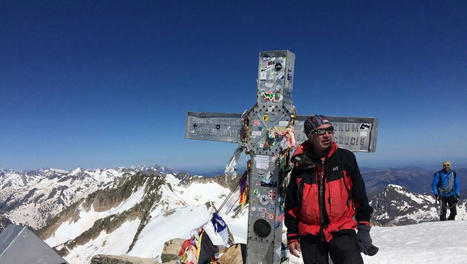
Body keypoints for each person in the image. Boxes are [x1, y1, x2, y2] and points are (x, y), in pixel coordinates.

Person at [285, 115, 378, 264]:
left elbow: (359, 195)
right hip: (310, 235)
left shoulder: (345, 159)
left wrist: (363, 228)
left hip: (342, 231)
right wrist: (292, 234)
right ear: (310, 136)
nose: (327, 135)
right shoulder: (300, 164)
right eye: (321, 132)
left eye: (330, 130)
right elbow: (292, 203)